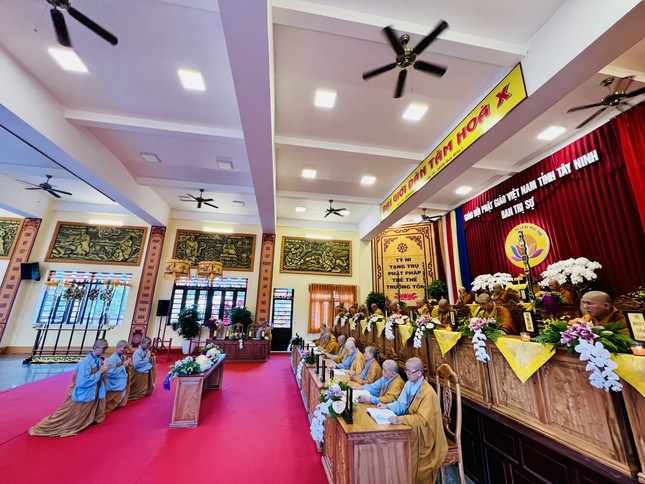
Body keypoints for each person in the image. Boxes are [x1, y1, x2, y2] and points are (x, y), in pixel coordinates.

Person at [379, 357, 448, 484]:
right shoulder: (408, 384)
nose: (407, 374)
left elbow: (422, 421)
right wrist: (387, 406)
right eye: (406, 370)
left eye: (410, 372)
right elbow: (401, 404)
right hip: (411, 425)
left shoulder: (428, 393)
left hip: (425, 435)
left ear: (419, 373)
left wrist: (401, 419)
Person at [30, 339, 110, 437]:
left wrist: (103, 371)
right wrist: (100, 372)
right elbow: (83, 382)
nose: (105, 351)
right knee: (64, 415)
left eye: (106, 348)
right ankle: (44, 427)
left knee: (79, 416)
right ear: (95, 348)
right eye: (103, 348)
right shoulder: (85, 363)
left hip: (91, 392)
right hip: (82, 393)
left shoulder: (97, 360)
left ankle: (82, 422)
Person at [105, 340, 131, 413]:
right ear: (118, 347)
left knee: (118, 399)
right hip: (115, 383)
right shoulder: (112, 358)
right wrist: (123, 366)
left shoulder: (122, 357)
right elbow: (110, 373)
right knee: (110, 402)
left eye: (126, 348)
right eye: (124, 348)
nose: (125, 350)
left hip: (120, 381)